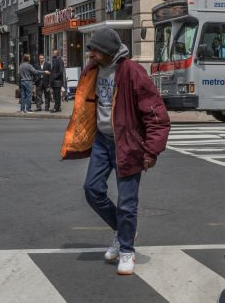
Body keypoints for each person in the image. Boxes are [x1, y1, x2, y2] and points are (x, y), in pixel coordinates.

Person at [61, 27, 171, 276]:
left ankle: (126, 250)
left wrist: (151, 151)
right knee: (92, 189)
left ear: (109, 51)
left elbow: (157, 117)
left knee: (127, 202)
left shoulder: (132, 72)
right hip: (102, 140)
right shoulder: (92, 69)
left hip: (128, 143)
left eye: (95, 51)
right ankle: (123, 232)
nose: (90, 55)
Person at [48, 48, 65, 113]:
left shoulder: (60, 61)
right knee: (55, 95)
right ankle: (58, 107)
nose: (52, 54)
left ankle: (56, 108)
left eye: (53, 53)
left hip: (57, 82)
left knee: (57, 96)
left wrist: (54, 76)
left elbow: (61, 72)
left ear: (56, 54)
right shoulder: (55, 60)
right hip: (55, 82)